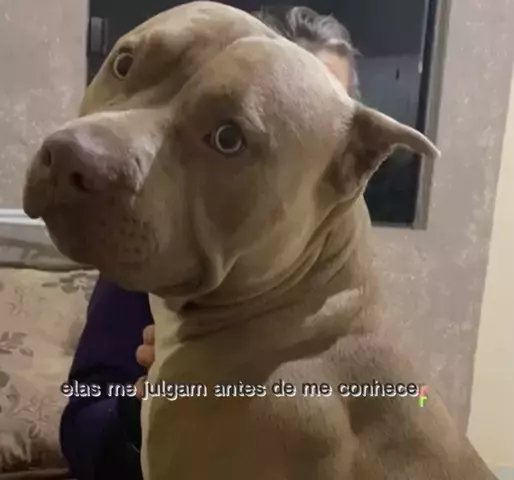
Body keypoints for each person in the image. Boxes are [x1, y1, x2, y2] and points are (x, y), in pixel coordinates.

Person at [60, 5, 359, 479]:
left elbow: (404, 402)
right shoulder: (156, 247)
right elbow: (82, 423)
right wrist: (147, 402)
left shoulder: (353, 287)